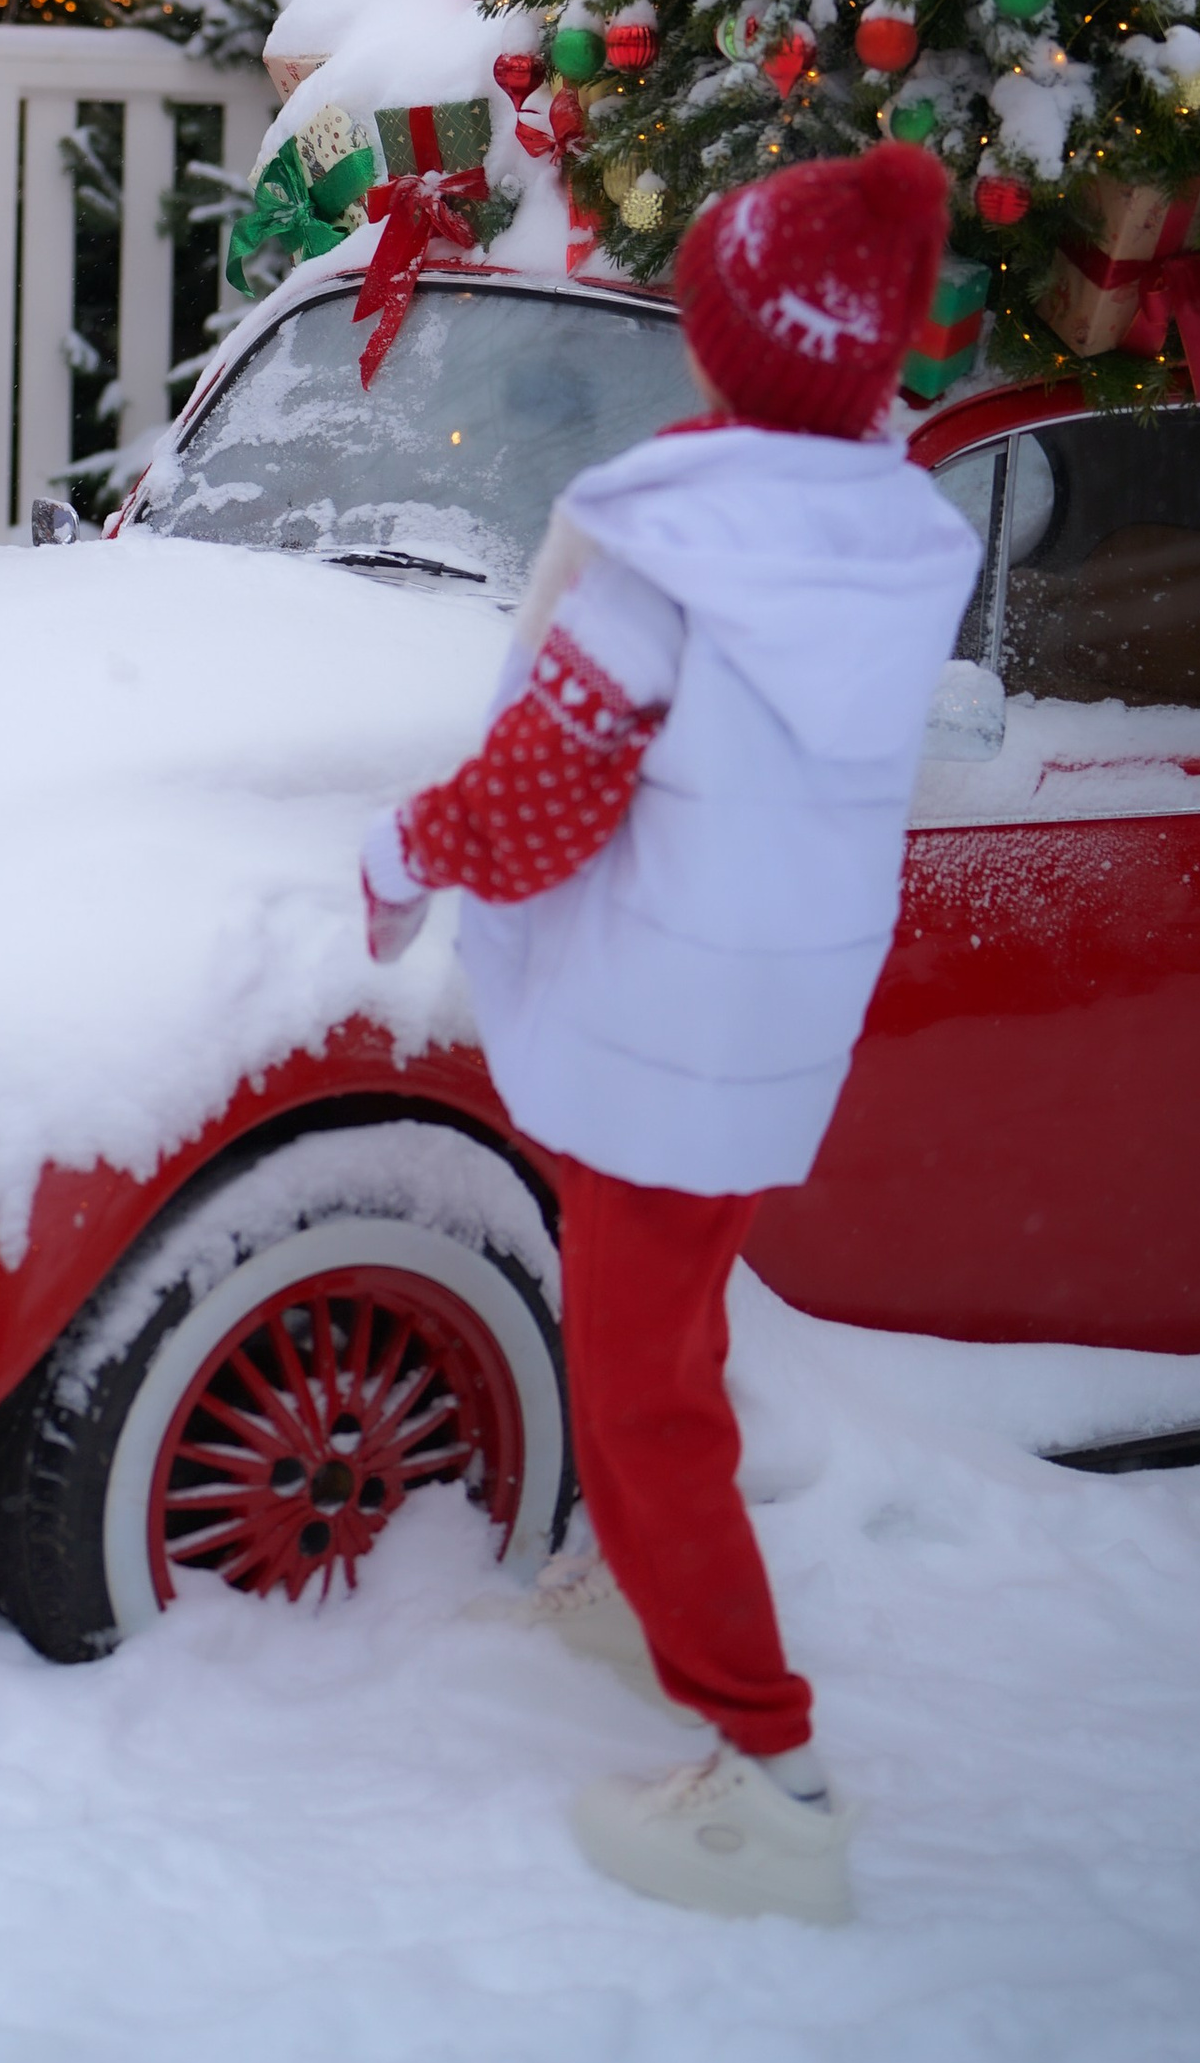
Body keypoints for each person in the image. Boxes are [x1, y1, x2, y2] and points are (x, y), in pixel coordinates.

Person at [357, 143, 979, 1927]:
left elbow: (545, 796)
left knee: (637, 1392)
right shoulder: (869, 535)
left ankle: (770, 1776)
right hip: (758, 1018)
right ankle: (640, 1595)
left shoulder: (673, 552)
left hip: (652, 1024)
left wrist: (407, 850)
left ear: (723, 343)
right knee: (667, 1327)